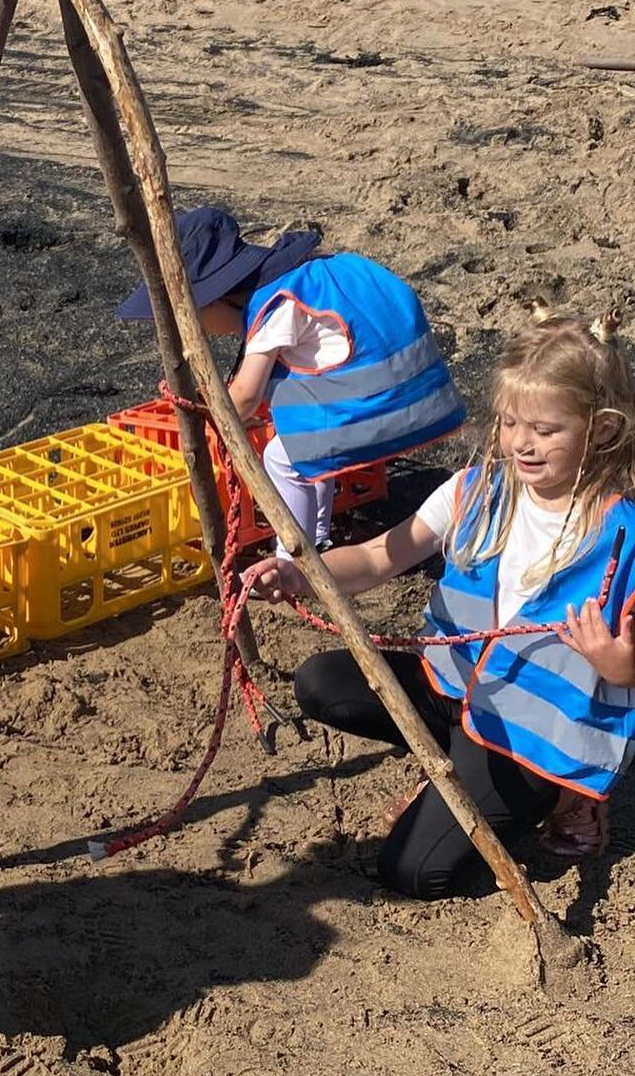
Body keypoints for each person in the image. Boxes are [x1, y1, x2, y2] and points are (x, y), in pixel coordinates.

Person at [247, 308, 635, 898]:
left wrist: (616, 666)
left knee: (413, 872)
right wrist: (300, 574)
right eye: (509, 423)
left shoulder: (622, 539)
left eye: (545, 430)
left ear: (601, 430)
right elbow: (379, 556)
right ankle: (451, 779)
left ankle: (563, 797)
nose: (521, 444)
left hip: (528, 738)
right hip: (449, 689)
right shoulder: (477, 490)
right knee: (322, 681)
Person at [119, 206, 465, 553]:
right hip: (427, 391)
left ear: (215, 297)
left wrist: (201, 424)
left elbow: (244, 399)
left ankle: (293, 557)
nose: (200, 330)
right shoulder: (311, 275)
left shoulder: (275, 305)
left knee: (281, 459)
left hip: (392, 409)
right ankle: (317, 535)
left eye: (195, 318)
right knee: (305, 443)